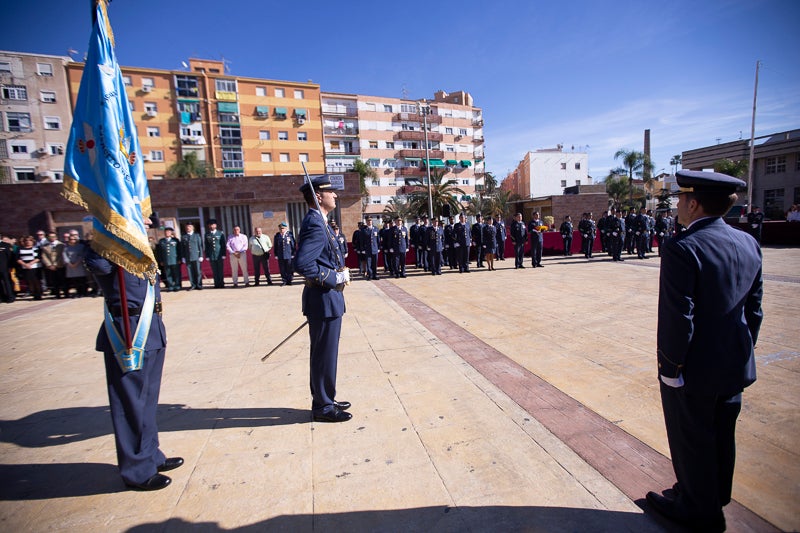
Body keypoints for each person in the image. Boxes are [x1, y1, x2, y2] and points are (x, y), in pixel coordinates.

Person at [647, 170, 763, 532]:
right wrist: (741, 350)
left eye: (681, 198)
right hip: (734, 363)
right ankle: (712, 495)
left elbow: (679, 316)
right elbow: (754, 310)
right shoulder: (748, 243)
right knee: (721, 434)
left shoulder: (683, 247)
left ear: (693, 203)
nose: (678, 204)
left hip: (695, 367)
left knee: (692, 438)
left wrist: (671, 366)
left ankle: (698, 509)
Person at [84, 228, 183, 491]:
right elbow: (98, 264)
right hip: (127, 331)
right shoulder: (106, 246)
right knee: (130, 403)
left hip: (151, 327)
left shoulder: (140, 249)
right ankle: (137, 470)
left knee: (147, 400)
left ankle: (151, 456)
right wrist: (107, 235)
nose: (147, 221)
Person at [293, 175, 351, 423]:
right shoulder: (316, 223)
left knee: (326, 354)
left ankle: (326, 397)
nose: (335, 195)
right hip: (323, 299)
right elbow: (303, 263)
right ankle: (323, 407)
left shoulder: (321, 221)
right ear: (319, 196)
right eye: (331, 192)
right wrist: (333, 278)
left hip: (328, 300)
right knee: (323, 355)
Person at [40, 231, 66, 298]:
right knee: (54, 281)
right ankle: (57, 294)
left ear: (56, 237)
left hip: (60, 265)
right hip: (51, 267)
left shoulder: (62, 245)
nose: (52, 238)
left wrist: (55, 264)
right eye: (50, 237)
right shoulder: (45, 247)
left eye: (53, 236)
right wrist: (49, 265)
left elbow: (62, 255)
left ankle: (66, 293)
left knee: (63, 280)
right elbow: (44, 256)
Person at [16, 235, 43, 300]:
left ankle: (38, 295)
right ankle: (33, 294)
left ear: (33, 241)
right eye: (26, 240)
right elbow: (17, 259)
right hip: (26, 268)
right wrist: (25, 264)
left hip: (36, 268)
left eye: (30, 240)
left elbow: (38, 258)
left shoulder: (36, 248)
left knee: (37, 281)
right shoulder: (20, 249)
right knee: (29, 282)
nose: (28, 242)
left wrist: (30, 263)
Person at [156, 227, 182, 292]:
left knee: (176, 273)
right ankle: (170, 286)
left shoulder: (175, 240)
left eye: (169, 232)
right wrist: (161, 260)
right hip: (166, 260)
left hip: (174, 260)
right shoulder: (161, 241)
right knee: (168, 273)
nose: (167, 233)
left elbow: (179, 250)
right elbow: (159, 252)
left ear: (171, 233)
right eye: (166, 232)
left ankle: (177, 285)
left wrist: (179, 258)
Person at [63, 232, 88, 297]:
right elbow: (65, 256)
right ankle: (78, 292)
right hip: (70, 266)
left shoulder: (81, 246)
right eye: (71, 239)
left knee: (82, 280)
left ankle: (84, 292)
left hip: (79, 265)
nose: (72, 241)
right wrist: (69, 263)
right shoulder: (66, 248)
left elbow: (82, 255)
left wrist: (77, 263)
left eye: (74, 239)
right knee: (75, 281)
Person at [181, 223, 203, 290]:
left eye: (190, 227)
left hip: (196, 256)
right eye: (187, 227)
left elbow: (200, 246)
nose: (188, 228)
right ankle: (193, 285)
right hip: (188, 257)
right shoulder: (183, 236)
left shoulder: (197, 235)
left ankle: (199, 285)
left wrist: (201, 255)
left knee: (198, 271)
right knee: (190, 272)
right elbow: (182, 248)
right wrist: (183, 257)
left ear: (193, 228)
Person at [204, 219, 226, 288]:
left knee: (220, 270)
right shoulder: (207, 234)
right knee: (214, 270)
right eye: (210, 225)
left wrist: (223, 254)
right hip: (211, 255)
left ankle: (221, 283)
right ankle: (216, 284)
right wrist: (207, 255)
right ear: (208, 226)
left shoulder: (220, 233)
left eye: (213, 224)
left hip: (219, 254)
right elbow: (206, 245)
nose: (212, 226)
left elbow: (223, 245)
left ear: (216, 225)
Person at [0, 234, 15, 303]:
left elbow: (10, 257)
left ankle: (10, 297)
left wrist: (11, 266)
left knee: (7, 282)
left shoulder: (5, 245)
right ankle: (2, 297)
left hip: (4, 268)